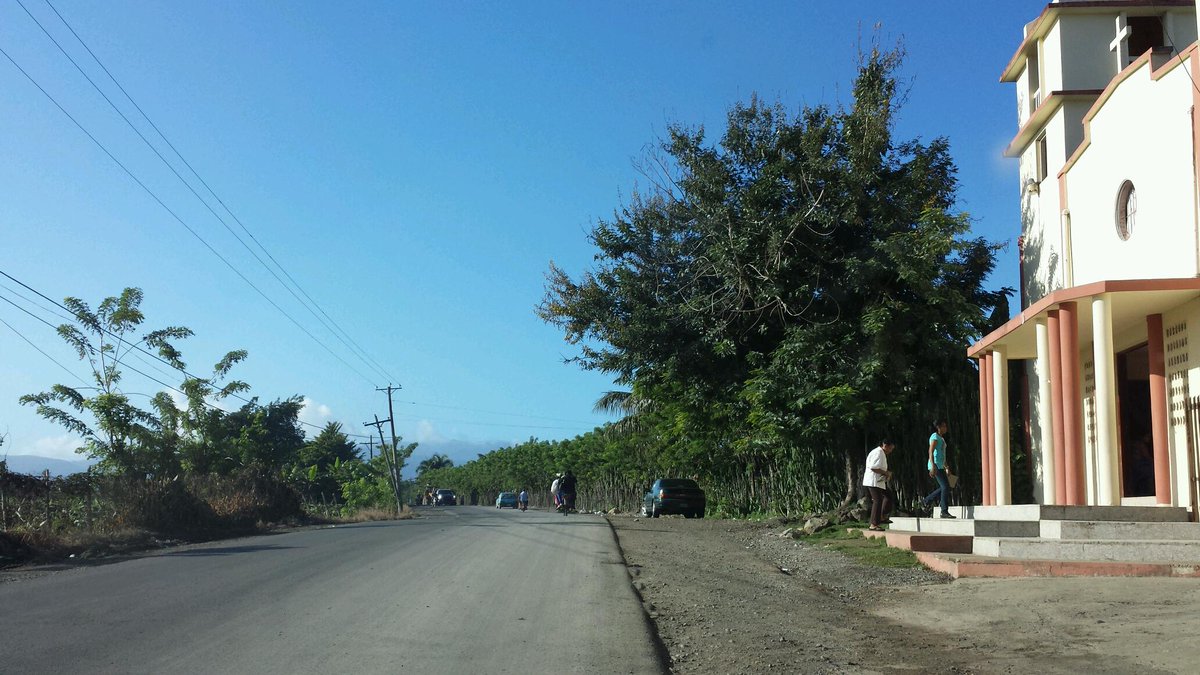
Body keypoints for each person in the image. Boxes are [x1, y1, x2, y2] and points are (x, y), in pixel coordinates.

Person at [919, 419, 955, 518]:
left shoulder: (941, 438)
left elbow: (942, 455)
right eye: (944, 426)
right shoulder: (935, 437)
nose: (946, 428)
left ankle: (926, 501)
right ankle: (944, 511)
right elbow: (931, 451)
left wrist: (946, 467)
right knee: (945, 487)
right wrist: (932, 465)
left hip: (940, 465)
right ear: (938, 427)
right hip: (935, 466)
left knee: (946, 486)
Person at [862, 439, 895, 531]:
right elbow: (873, 467)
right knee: (878, 500)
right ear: (885, 445)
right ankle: (874, 524)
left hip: (879, 481)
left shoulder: (881, 453)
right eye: (890, 448)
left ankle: (881, 515)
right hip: (873, 481)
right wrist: (886, 473)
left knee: (888, 496)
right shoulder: (878, 453)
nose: (891, 451)